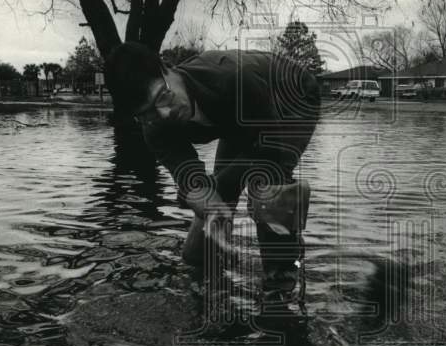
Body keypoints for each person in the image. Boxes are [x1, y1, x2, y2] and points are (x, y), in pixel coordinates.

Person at [106, 42, 320, 303]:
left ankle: (282, 286)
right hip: (234, 116)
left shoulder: (232, 79)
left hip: (289, 98)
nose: (164, 114)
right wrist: (209, 203)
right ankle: (203, 270)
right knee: (213, 198)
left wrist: (227, 187)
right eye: (148, 113)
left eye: (163, 96)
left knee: (267, 187)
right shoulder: (154, 125)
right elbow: (191, 181)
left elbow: (270, 149)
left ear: (167, 69)